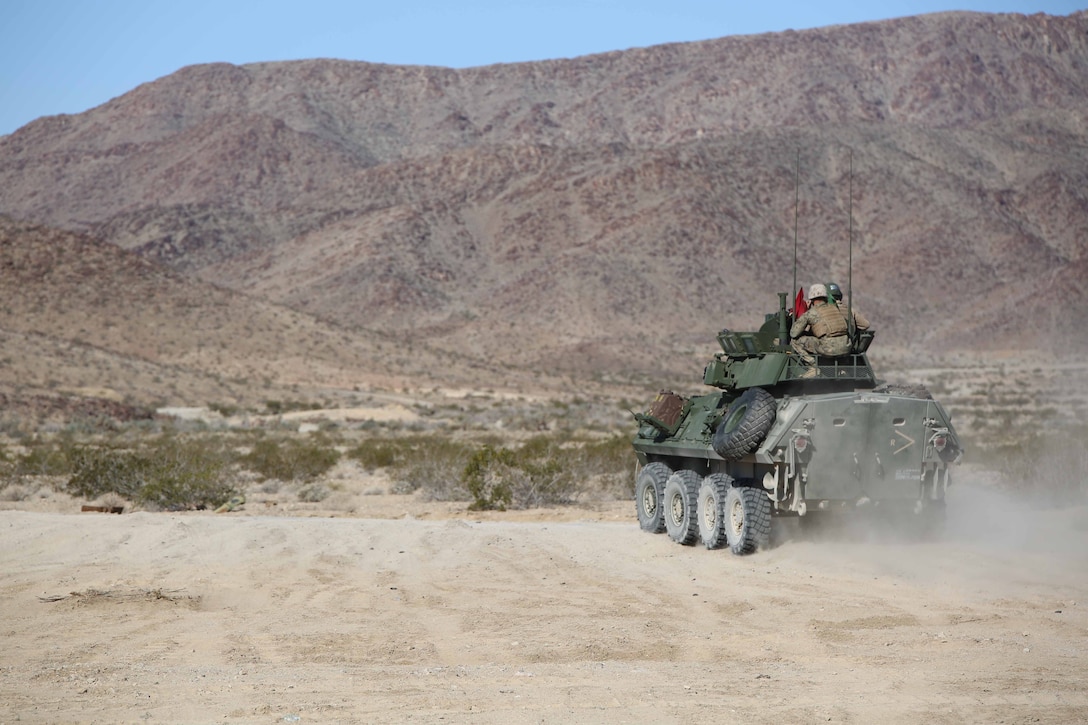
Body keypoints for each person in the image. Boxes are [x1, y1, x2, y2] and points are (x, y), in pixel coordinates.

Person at [790, 283, 851, 373]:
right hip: (846, 347)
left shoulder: (811, 313)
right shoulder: (834, 308)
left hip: (828, 349)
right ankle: (842, 369)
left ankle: (813, 367)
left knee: (795, 341)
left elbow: (794, 333)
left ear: (812, 299)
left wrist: (807, 310)